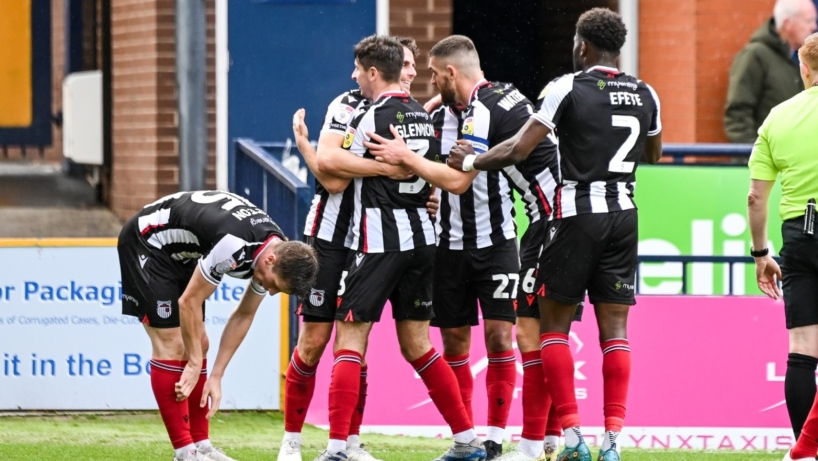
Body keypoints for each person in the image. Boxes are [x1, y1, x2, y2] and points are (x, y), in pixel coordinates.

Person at [447, 8, 662, 461]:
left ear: (582, 46)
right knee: (616, 333)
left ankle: (570, 439)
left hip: (574, 216)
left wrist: (469, 161)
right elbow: (654, 153)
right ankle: (613, 443)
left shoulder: (567, 86)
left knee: (552, 330)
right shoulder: (647, 92)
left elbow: (518, 148)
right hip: (625, 214)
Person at [364, 35, 570, 461]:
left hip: (498, 239)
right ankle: (469, 438)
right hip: (447, 244)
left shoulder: (482, 110)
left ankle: (500, 437)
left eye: (433, 75)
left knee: (502, 337)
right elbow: (428, 176)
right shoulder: (432, 117)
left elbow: (460, 175)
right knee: (455, 342)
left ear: (450, 73)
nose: (426, 81)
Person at [316, 34, 484, 461]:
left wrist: (370, 165)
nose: (355, 76)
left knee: (349, 340)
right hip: (423, 240)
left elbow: (330, 167)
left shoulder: (371, 115)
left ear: (373, 72)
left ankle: (337, 449)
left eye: (358, 70)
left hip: (379, 241)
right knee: (418, 345)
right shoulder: (422, 116)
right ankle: (466, 440)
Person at [281, 37, 423, 461]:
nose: (414, 73)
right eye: (410, 65)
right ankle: (291, 442)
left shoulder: (411, 112)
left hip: (376, 241)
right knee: (313, 340)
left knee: (354, 343)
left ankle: (349, 442)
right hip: (330, 237)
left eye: (415, 66)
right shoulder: (347, 104)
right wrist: (384, 166)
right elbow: (333, 179)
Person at [117, 190, 318, 461]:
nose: (270, 292)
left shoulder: (273, 250)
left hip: (180, 252)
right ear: (272, 260)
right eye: (274, 286)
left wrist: (217, 375)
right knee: (173, 345)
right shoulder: (234, 245)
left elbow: (244, 315)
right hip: (147, 242)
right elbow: (188, 302)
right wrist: (192, 363)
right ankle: (185, 452)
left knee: (200, 343)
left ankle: (201, 447)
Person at [747, 32, 818, 461]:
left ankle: (805, 451)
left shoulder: (779, 116)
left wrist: (760, 254)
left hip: (801, 234)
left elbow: (756, 197)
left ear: (804, 69)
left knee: (803, 348)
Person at [725, 0, 816, 144]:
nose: (813, 27)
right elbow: (738, 114)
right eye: (808, 21)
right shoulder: (755, 56)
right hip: (769, 160)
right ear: (787, 24)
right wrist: (754, 157)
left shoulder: (805, 59)